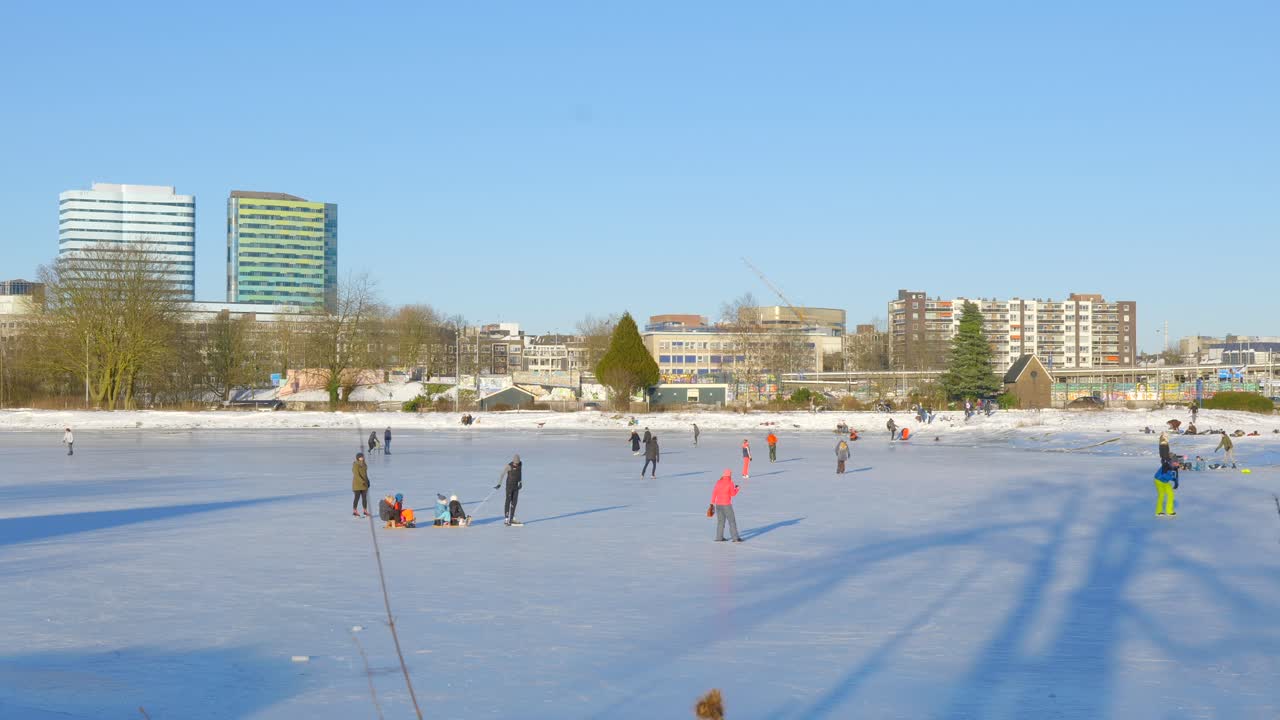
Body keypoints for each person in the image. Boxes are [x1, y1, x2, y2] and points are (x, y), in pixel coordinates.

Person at [711, 469, 743, 542]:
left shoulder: (718, 482)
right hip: (726, 505)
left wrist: (712, 503)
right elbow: (732, 494)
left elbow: (714, 493)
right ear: (729, 475)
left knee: (720, 522)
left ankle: (719, 538)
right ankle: (735, 538)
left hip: (718, 505)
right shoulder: (730, 483)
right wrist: (737, 489)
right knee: (731, 521)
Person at [495, 454, 523, 525]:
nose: (516, 464)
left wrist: (520, 482)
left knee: (514, 502)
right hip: (509, 487)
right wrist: (499, 484)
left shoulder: (520, 464)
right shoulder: (509, 466)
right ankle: (506, 519)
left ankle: (512, 518)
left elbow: (520, 473)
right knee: (508, 501)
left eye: (517, 463)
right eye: (515, 463)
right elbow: (502, 474)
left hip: (516, 487)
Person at [352, 452, 370, 518]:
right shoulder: (355, 465)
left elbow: (365, 474)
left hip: (364, 484)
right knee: (357, 498)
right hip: (357, 484)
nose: (361, 458)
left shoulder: (364, 465)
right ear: (357, 458)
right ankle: (355, 511)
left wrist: (367, 481)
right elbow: (356, 475)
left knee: (364, 498)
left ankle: (365, 511)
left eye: (362, 457)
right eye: (360, 457)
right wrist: (362, 481)